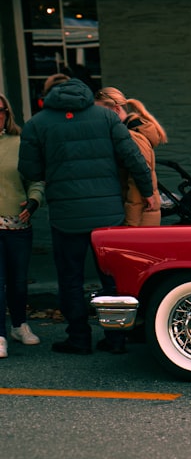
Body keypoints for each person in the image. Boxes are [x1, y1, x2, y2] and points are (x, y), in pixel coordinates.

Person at [17, 75, 156, 355]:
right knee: (110, 278)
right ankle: (116, 338)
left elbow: (30, 171)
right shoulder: (105, 118)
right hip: (107, 214)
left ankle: (78, 338)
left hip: (66, 215)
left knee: (70, 278)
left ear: (50, 95)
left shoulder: (36, 124)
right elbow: (131, 156)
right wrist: (147, 191)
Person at [0, 92, 45, 358]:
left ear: (8, 114)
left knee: (18, 282)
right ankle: (0, 335)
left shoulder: (20, 142)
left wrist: (33, 201)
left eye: (2, 110)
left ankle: (19, 325)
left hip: (18, 225)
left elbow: (35, 179)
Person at [95, 87, 167, 227]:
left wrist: (130, 224)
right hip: (140, 214)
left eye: (101, 113)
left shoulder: (132, 137)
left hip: (140, 217)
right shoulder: (129, 132)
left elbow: (137, 183)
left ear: (115, 109)